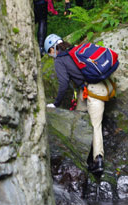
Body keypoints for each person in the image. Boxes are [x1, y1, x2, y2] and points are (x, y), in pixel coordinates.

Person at [44, 34, 113, 175]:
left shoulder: (60, 60)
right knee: (79, 117)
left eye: (50, 52)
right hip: (96, 87)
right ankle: (85, 155)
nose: (51, 55)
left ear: (53, 49)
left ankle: (98, 160)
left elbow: (63, 84)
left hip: (92, 90)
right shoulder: (75, 50)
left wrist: (55, 104)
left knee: (95, 125)